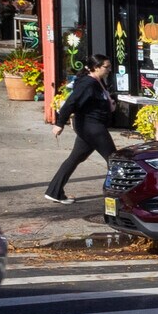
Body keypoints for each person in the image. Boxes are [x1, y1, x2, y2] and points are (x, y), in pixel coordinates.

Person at [44, 54, 116, 203]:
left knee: (76, 158)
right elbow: (71, 102)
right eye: (106, 67)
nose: (109, 69)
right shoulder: (87, 84)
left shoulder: (98, 81)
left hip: (90, 126)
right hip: (92, 127)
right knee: (115, 161)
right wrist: (59, 123)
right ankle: (121, 195)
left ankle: (54, 192)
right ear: (96, 67)